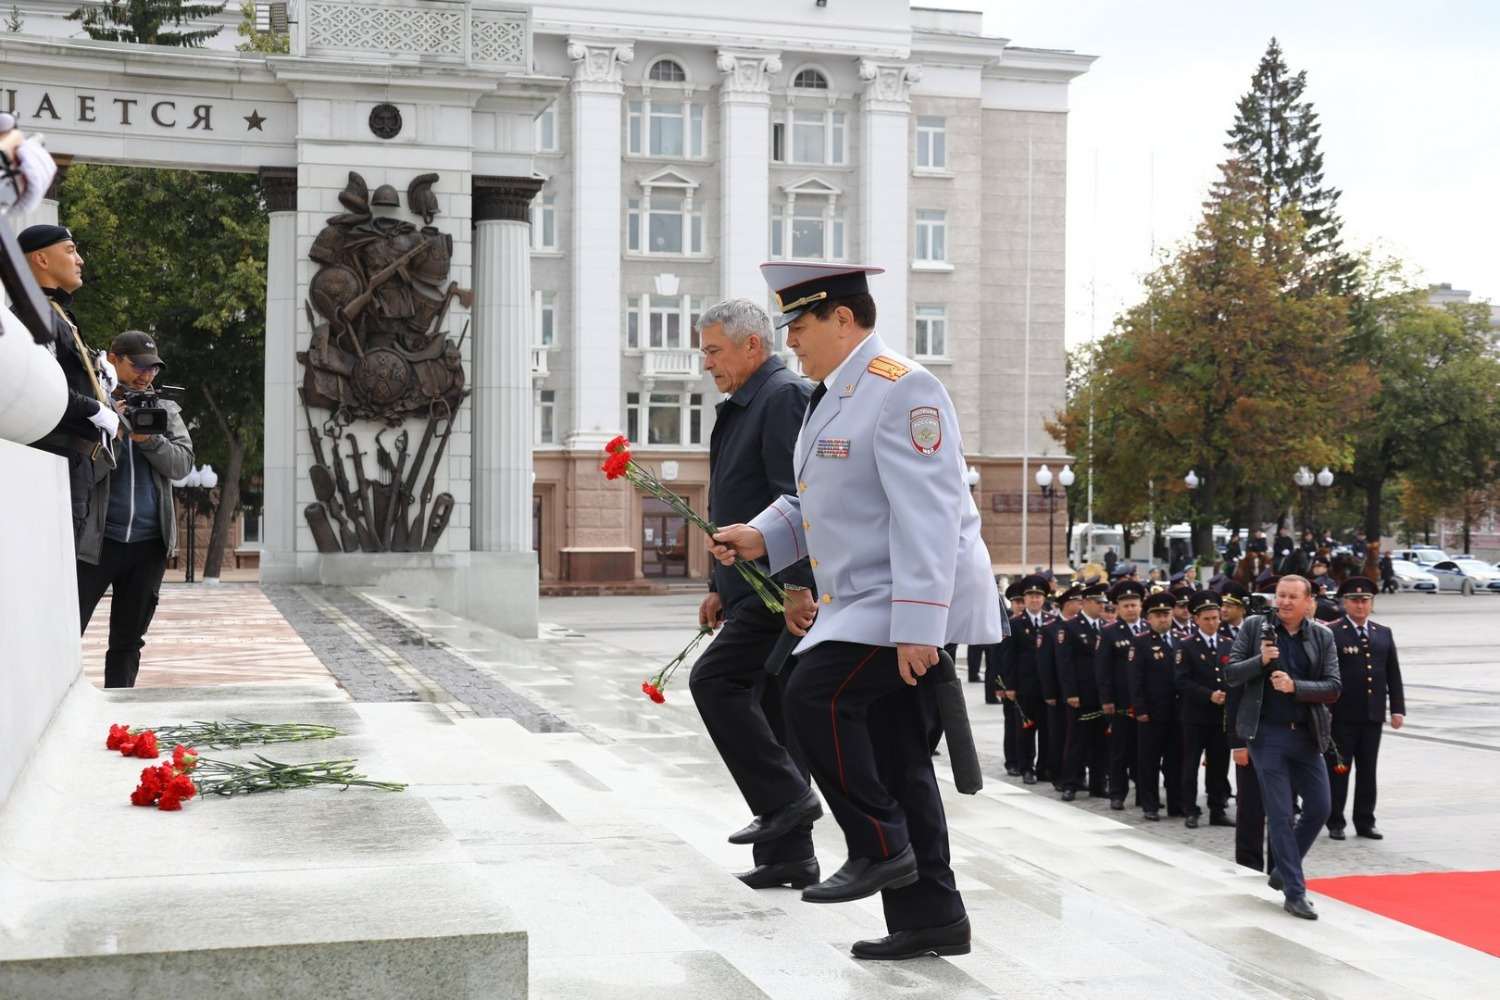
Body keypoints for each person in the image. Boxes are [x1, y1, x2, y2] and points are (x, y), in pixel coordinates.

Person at [709, 261, 1000, 961]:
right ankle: (930, 916)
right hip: (865, 599)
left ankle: (879, 844)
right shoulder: (832, 394)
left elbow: (931, 518)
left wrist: (920, 629)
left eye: (802, 328)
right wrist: (764, 533)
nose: (794, 343)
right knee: (900, 757)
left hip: (901, 600)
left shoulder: (904, 390)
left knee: (811, 693)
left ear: (844, 320)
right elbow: (826, 498)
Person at [686, 299, 821, 891]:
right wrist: (720, 586)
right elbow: (739, 502)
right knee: (770, 712)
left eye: (714, 350)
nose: (706, 362)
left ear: (751, 346)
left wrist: (797, 587)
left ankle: (790, 797)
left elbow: (796, 499)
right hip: (748, 589)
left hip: (778, 591)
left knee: (714, 681)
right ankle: (789, 857)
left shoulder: (783, 395)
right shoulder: (746, 400)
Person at [76, 332, 194, 688]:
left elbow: (182, 465)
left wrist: (148, 440)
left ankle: (117, 717)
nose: (146, 375)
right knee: (67, 631)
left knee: (128, 642)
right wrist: (112, 434)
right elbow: (79, 469)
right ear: (113, 359)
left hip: (148, 546)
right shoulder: (93, 404)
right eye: (139, 366)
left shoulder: (165, 411)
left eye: (153, 368)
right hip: (97, 543)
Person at [1225, 575, 1342, 920]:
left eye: (1293, 597)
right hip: (1267, 734)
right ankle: (1295, 891)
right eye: (1281, 596)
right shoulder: (1254, 627)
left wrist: (1296, 687)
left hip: (1307, 734)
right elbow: (1232, 674)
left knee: (1320, 807)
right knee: (1279, 813)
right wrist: (1260, 661)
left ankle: (1282, 871)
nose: (1285, 602)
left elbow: (1333, 687)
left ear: (1309, 603)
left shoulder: (1322, 635)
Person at [16, 224, 120, 547]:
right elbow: (41, 388)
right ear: (41, 260)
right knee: (50, 567)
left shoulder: (58, 314)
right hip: (52, 460)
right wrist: (95, 409)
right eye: (70, 250)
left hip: (73, 463)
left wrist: (99, 373)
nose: (80, 260)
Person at [1325, 576, 1405, 842]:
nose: (1360, 606)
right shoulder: (1333, 631)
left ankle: (1365, 820)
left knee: (1368, 770)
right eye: (1355, 600)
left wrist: (1397, 708)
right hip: (1342, 714)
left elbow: (1392, 672)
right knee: (1339, 769)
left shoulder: (1382, 632)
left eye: (1365, 600)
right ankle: (1335, 820)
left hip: (1372, 713)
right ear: (1344, 602)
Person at [1174, 590, 1233, 829]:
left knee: (1219, 764)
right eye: (1206, 618)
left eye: (1215, 618)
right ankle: (1190, 808)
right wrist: (1209, 695)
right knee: (1191, 763)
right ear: (1196, 619)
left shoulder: (1228, 643)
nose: (1212, 623)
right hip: (1196, 715)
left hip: (1221, 716)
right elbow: (1181, 680)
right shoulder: (1186, 645)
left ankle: (1217, 809)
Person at [1129, 590, 1183, 821]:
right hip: (1151, 712)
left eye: (1167, 614)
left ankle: (1176, 804)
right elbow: (1135, 679)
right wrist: (1139, 708)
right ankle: (1150, 804)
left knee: (1176, 761)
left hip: (1178, 713)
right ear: (1148, 618)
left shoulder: (1182, 639)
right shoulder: (1140, 642)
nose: (1163, 619)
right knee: (1149, 761)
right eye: (1158, 615)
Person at [1096, 579, 1146, 810]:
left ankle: (1143, 793)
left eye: (1134, 604)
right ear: (1117, 608)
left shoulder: (1149, 628)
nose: (1130, 609)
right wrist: (1106, 699)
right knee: (1119, 751)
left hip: (1146, 702)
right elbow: (1102, 669)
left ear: (1141, 605)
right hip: (1121, 702)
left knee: (1143, 752)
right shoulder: (1109, 632)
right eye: (1125, 606)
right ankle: (1117, 793)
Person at [1057, 582, 1109, 802]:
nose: (1101, 607)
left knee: (1101, 743)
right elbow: (1065, 663)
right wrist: (1070, 693)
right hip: (1081, 694)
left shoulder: (1105, 628)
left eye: (1103, 603)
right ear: (1085, 603)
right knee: (1076, 742)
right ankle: (1070, 783)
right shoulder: (1070, 627)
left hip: (1101, 695)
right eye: (1097, 603)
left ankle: (1098, 784)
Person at [1000, 574, 1053, 785]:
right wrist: (1010, 686)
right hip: (1025, 686)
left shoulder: (1052, 621)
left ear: (1044, 599)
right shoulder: (1016, 623)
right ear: (1025, 598)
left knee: (1048, 731)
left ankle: (1044, 767)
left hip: (1047, 687)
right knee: (1026, 730)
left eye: (1038, 596)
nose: (1034, 600)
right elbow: (1008, 658)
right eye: (1030, 596)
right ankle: (1026, 767)